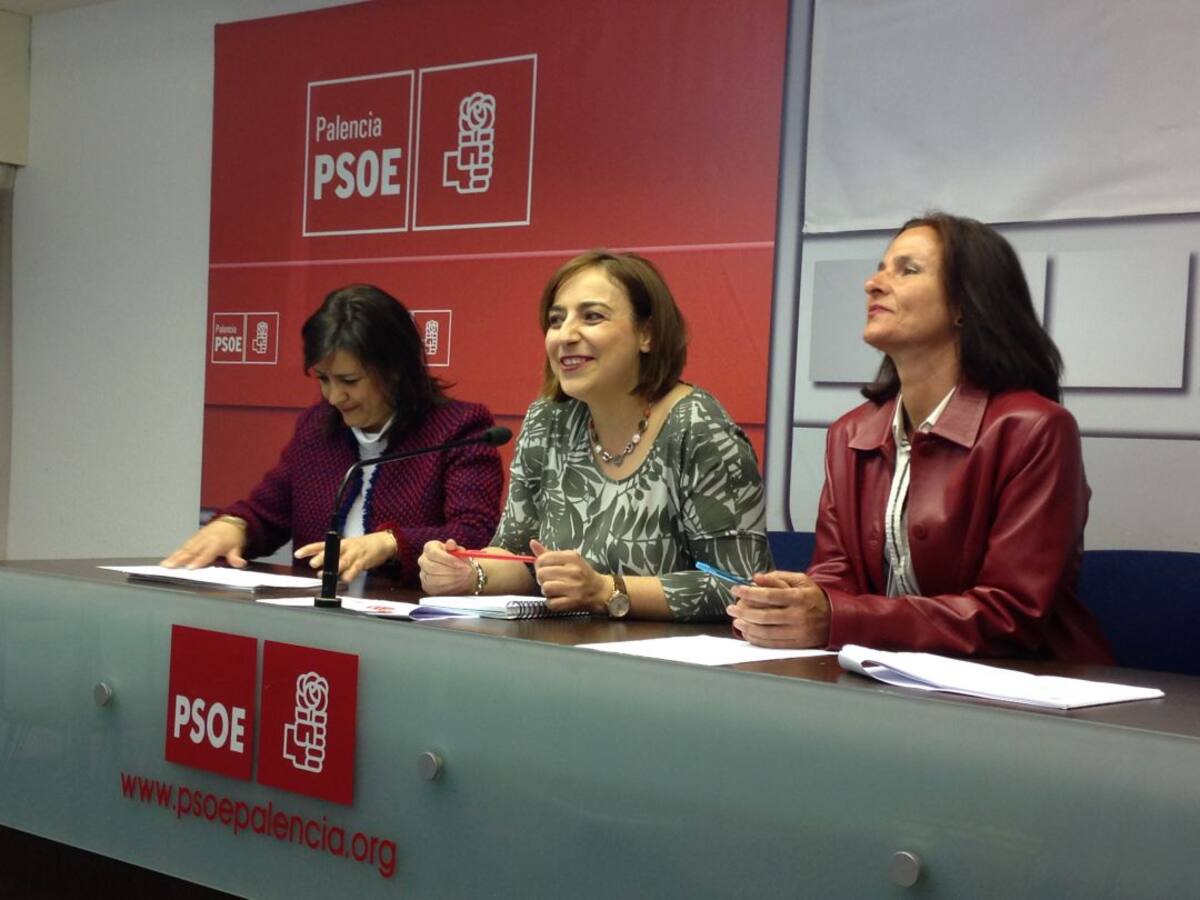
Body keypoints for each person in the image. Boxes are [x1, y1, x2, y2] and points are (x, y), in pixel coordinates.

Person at [727, 213, 1113, 662]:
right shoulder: (850, 433)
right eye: (880, 269)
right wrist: (795, 605)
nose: (873, 284)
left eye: (907, 270)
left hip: (1026, 686)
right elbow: (837, 577)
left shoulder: (1035, 428)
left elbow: (1011, 614)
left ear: (965, 304)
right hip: (887, 679)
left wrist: (838, 617)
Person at [417, 250, 771, 620]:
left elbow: (738, 584)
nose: (566, 335)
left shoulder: (698, 427)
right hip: (562, 645)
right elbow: (520, 556)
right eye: (556, 320)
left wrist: (606, 590)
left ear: (647, 334)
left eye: (592, 317)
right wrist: (468, 571)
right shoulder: (547, 420)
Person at [163, 284, 503, 585]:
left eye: (349, 381)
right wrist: (235, 526)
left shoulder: (460, 429)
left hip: (413, 623)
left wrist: (388, 543)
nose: (334, 397)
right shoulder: (317, 428)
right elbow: (267, 513)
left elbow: (474, 534)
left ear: (396, 370)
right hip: (319, 623)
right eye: (323, 379)